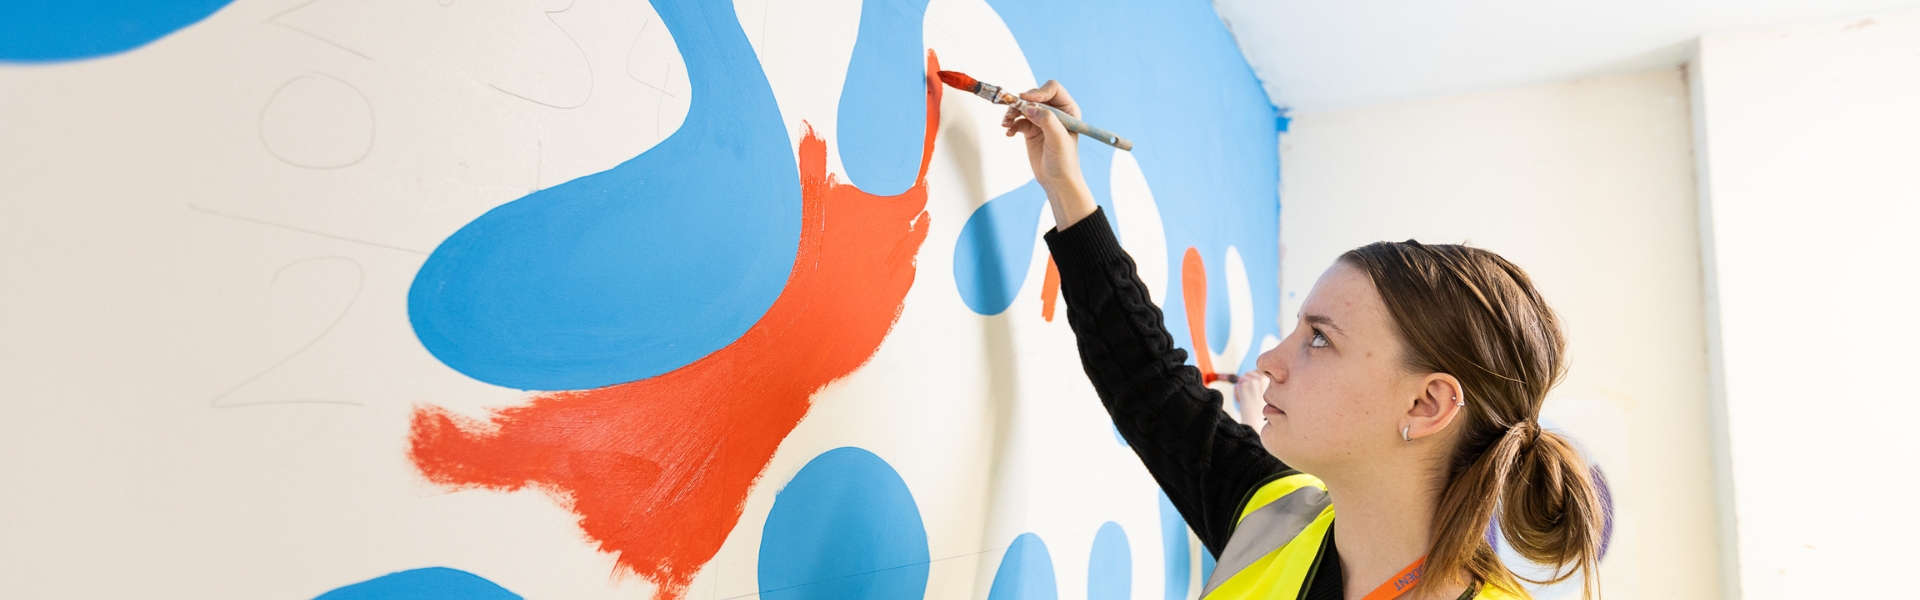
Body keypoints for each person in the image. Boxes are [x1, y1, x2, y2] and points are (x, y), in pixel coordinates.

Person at [1002, 82, 1605, 600]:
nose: (1269, 362)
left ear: (1426, 406)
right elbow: (1148, 382)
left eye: (1319, 340)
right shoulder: (1277, 513)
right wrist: (1065, 184)